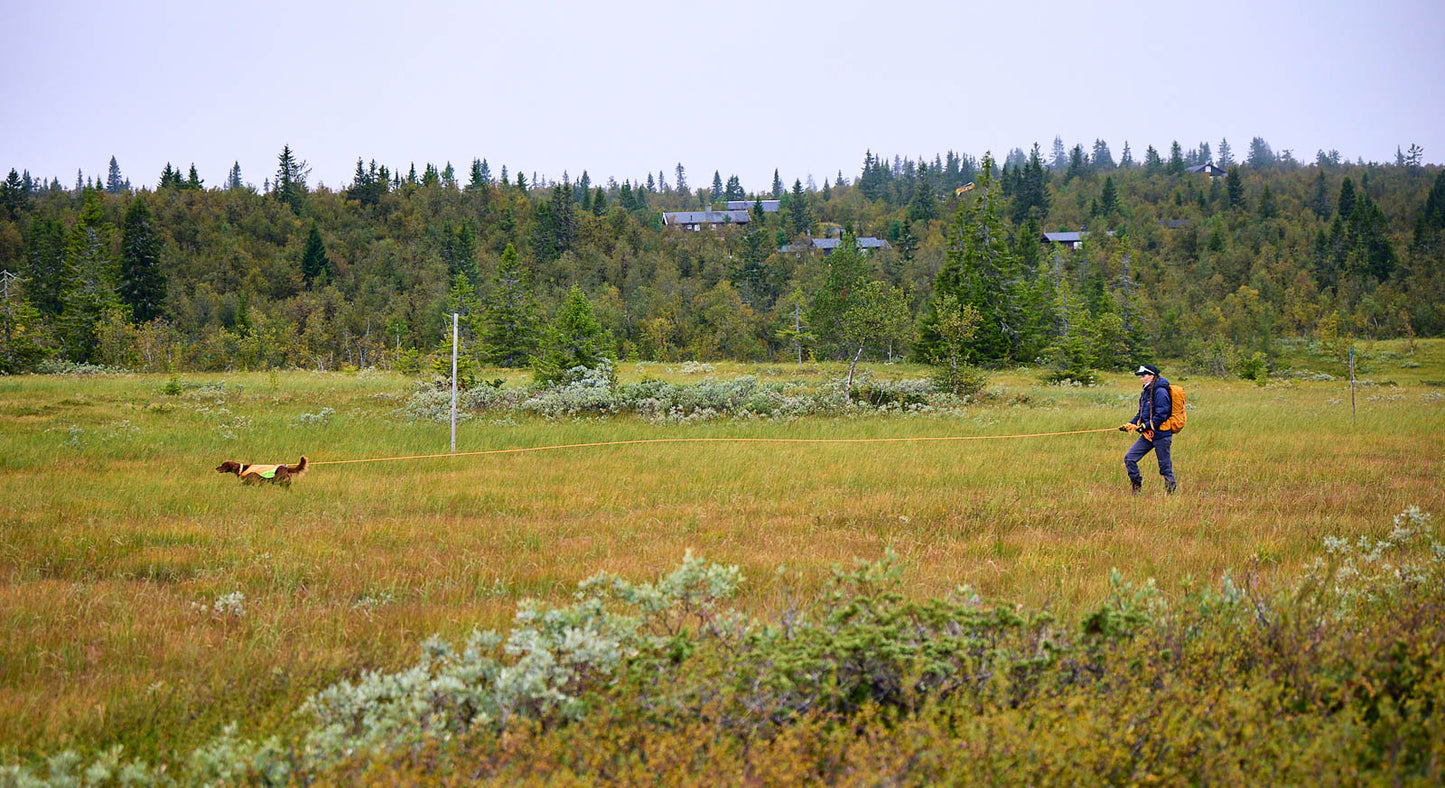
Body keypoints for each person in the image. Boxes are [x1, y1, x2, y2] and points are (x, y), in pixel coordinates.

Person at [1118, 364, 1177, 495]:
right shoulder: (1146, 391)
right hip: (1147, 435)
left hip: (1161, 435)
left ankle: (1171, 493)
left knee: (1165, 466)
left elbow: (1162, 414)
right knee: (1130, 458)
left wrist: (1145, 426)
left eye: (1143, 376)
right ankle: (1136, 487)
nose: (1141, 379)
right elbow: (1141, 413)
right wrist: (1131, 423)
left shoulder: (1160, 391)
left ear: (1152, 376)